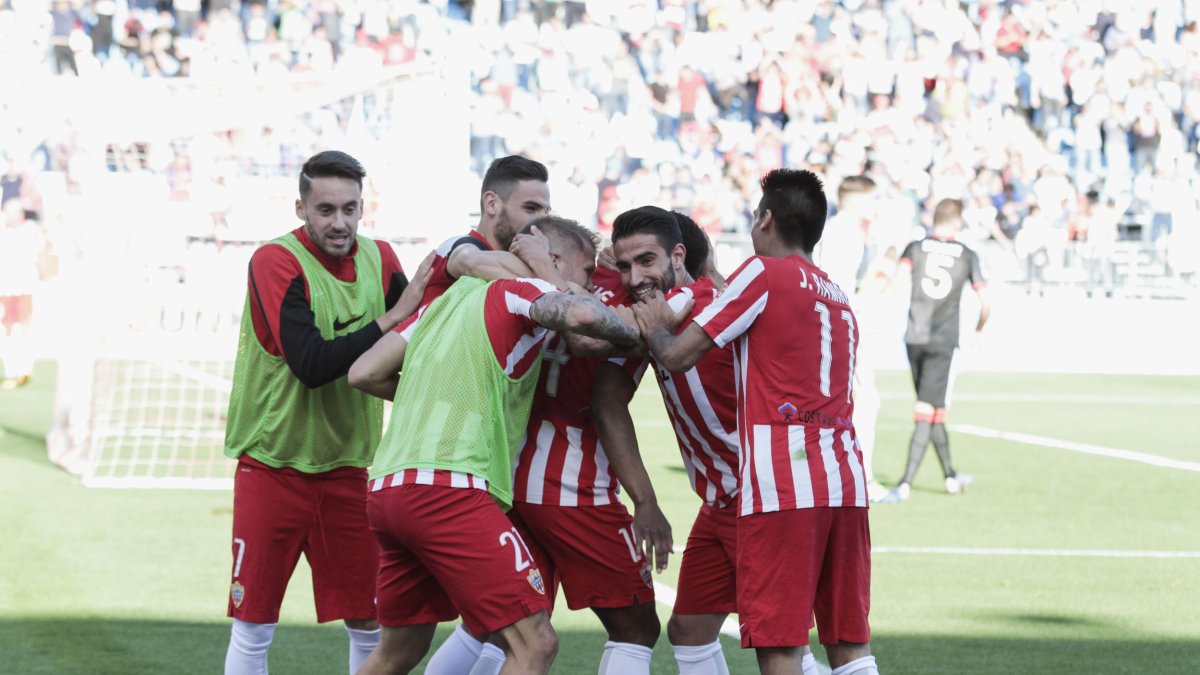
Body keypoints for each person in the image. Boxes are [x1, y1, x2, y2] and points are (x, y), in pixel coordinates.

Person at [346, 217, 642, 675]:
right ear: (552, 260)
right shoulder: (516, 291)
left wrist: (441, 396)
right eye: (585, 274)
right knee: (535, 645)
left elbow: (363, 372)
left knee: (397, 652)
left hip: (389, 488)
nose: (587, 285)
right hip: (449, 489)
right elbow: (582, 315)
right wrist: (634, 332)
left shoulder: (442, 304)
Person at [631, 169, 880, 675]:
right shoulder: (836, 295)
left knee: (780, 645)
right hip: (845, 480)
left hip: (781, 484)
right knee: (848, 641)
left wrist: (655, 330)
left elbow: (678, 356)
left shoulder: (763, 273)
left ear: (765, 218)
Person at [596, 206, 828, 675]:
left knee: (782, 647)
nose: (635, 277)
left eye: (647, 260)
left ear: (678, 256)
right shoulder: (653, 318)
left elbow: (688, 299)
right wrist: (645, 501)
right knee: (689, 628)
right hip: (720, 500)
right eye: (624, 266)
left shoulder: (704, 303)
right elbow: (606, 401)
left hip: (761, 497)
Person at [222, 150, 428, 675]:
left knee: (369, 619)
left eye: (350, 209)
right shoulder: (276, 260)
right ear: (301, 209)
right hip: (274, 465)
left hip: (350, 467)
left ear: (364, 207)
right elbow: (311, 363)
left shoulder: (380, 259)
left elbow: (419, 339)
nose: (340, 222)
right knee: (254, 624)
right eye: (326, 209)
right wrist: (394, 318)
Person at [880, 198, 990, 504]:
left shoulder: (915, 247)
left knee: (934, 410)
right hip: (943, 342)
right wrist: (979, 329)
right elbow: (986, 302)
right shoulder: (967, 254)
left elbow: (894, 283)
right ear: (957, 221)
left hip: (914, 337)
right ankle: (905, 483)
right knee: (927, 412)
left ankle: (950, 477)